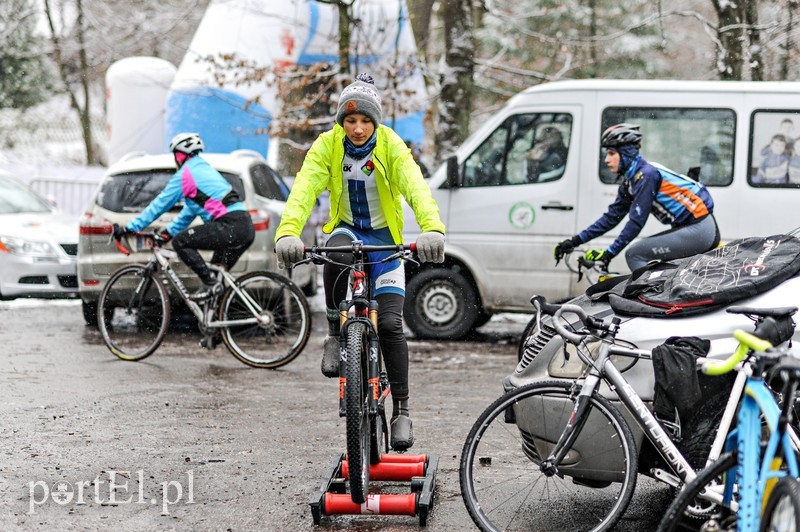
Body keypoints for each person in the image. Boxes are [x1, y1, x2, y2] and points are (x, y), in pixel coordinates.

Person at [274, 73, 446, 451]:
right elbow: (304, 189)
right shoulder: (327, 145)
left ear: (376, 121)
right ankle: (336, 332)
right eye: (350, 120)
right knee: (334, 250)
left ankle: (401, 411)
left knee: (389, 324)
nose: (357, 128)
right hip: (348, 233)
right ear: (341, 121)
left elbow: (416, 186)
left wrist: (432, 228)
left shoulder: (391, 146)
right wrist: (288, 232)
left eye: (365, 120)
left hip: (386, 244)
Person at [553, 123, 719, 271]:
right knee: (661, 266)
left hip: (700, 229)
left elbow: (636, 222)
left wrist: (610, 253)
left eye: (611, 154)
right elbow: (611, 218)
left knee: (635, 254)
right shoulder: (631, 181)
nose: (606, 160)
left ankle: (654, 303)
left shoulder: (646, 175)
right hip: (692, 229)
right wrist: (574, 241)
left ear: (625, 154)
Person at [112, 132, 255, 300]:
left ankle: (210, 284)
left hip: (229, 225)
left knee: (182, 242)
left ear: (180, 155)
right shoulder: (202, 170)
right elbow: (189, 212)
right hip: (243, 227)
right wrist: (167, 233)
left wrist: (130, 227)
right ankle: (216, 319)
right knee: (217, 279)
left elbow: (161, 203)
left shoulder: (186, 175)